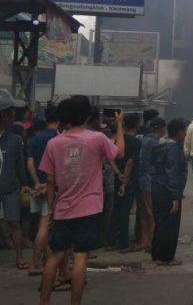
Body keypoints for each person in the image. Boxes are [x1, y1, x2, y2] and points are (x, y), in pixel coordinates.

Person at [38, 96, 125, 305]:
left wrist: (50, 210)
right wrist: (119, 124)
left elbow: (50, 181)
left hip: (63, 208)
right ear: (88, 115)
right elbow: (119, 153)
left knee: (55, 256)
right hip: (90, 208)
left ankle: (43, 301)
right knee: (80, 256)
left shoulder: (54, 143)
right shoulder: (96, 139)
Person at [26, 106, 60, 276]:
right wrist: (47, 185)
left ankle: (42, 263)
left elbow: (30, 164)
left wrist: (37, 183)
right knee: (46, 226)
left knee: (43, 222)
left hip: (37, 186)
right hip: (52, 188)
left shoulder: (36, 138)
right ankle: (36, 263)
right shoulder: (58, 138)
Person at [150, 118, 188, 266]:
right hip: (167, 190)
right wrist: (175, 196)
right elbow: (172, 173)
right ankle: (165, 257)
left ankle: (156, 252)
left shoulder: (161, 145)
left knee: (160, 222)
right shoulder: (173, 149)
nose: (185, 133)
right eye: (184, 130)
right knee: (169, 225)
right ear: (179, 132)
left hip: (158, 188)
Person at [0, 89, 29, 270]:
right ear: (4, 116)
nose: (15, 117)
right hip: (10, 187)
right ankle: (19, 257)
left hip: (10, 188)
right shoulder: (15, 139)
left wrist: (24, 184)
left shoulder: (15, 140)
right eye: (12, 113)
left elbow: (20, 166)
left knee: (14, 222)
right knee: (14, 223)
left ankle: (19, 257)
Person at [107, 112, 142, 252]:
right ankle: (123, 242)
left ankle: (112, 240)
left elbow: (111, 158)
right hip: (129, 180)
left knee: (116, 209)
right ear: (137, 124)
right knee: (124, 211)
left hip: (117, 178)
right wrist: (125, 180)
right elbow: (130, 162)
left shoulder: (118, 141)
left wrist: (118, 174)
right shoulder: (136, 142)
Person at [139, 117, 166, 252]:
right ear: (162, 129)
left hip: (142, 179)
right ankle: (153, 243)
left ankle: (145, 241)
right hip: (151, 180)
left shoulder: (144, 140)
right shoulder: (156, 143)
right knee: (153, 214)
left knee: (144, 213)